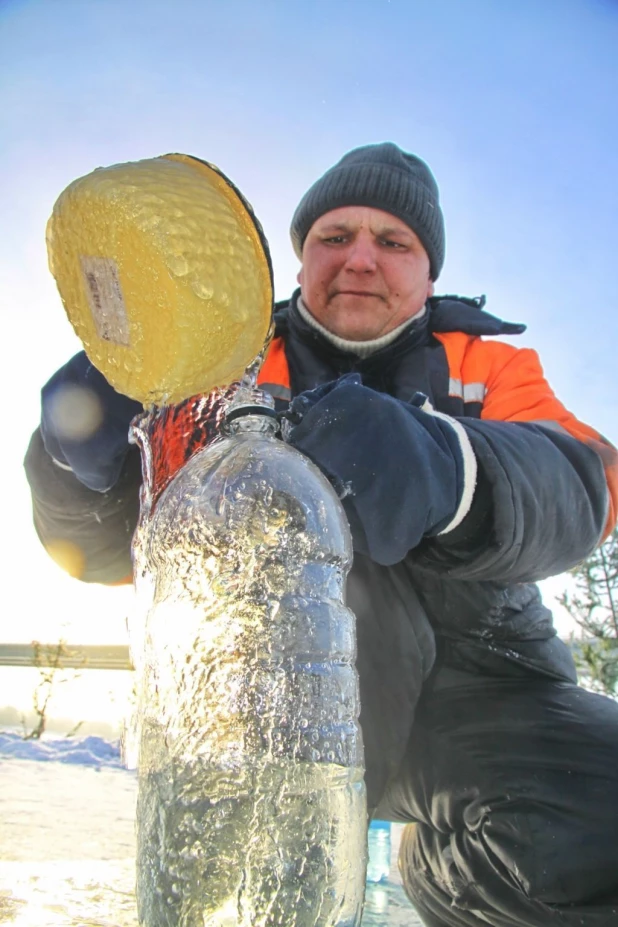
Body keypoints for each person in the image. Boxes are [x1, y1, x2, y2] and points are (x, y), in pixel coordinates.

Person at [24, 143, 618, 926]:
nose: (361, 259)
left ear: (428, 272)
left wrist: (448, 468)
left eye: (393, 241)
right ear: (301, 256)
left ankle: (450, 869)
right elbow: (107, 549)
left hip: (483, 691)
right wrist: (70, 466)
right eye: (335, 237)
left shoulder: (489, 366)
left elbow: (587, 485)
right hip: (270, 705)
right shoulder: (218, 366)